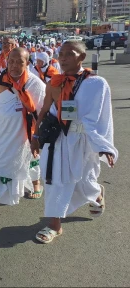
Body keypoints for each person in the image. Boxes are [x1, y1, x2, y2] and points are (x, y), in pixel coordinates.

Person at [31, 41, 117, 244]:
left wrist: (104, 146)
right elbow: (44, 110)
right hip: (57, 140)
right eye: (61, 54)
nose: (63, 58)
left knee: (84, 181)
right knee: (52, 180)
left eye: (70, 54)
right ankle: (54, 225)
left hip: (83, 142)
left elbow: (103, 117)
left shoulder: (96, 84)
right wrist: (36, 136)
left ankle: (96, 194)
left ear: (82, 57)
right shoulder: (54, 81)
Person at [0, 48, 46, 204]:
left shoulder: (35, 83)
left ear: (27, 63)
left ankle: (36, 184)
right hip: (2, 131)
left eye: (19, 62)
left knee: (27, 160)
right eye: (11, 61)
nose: (14, 65)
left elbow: (42, 112)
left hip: (24, 133)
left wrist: (37, 135)